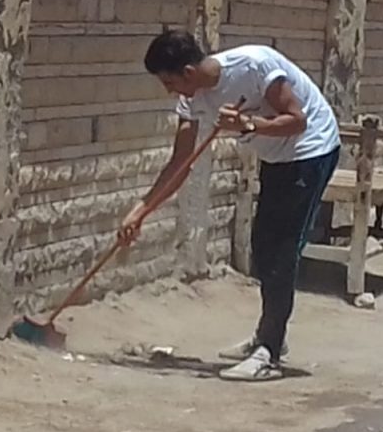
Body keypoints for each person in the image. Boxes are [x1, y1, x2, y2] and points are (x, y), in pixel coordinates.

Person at [118, 30, 340, 382]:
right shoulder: (192, 100)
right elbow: (181, 162)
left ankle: (269, 353)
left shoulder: (253, 66)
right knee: (262, 247)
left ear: (188, 72)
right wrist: (140, 211)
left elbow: (298, 121)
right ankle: (269, 335)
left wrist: (249, 124)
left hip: (310, 150)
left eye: (169, 82)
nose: (169, 91)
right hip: (276, 156)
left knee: (281, 253)